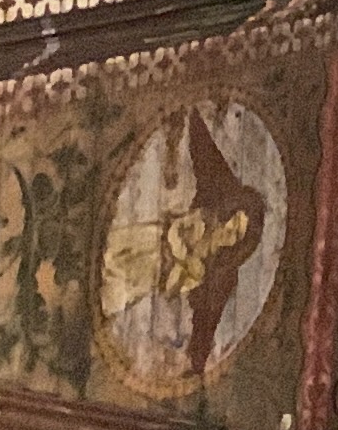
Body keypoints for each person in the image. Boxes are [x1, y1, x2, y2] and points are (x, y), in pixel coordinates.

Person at [99, 108, 267, 380]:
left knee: (113, 291)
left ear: (240, 244)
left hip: (150, 274)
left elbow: (206, 320)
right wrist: (193, 117)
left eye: (238, 233)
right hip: (149, 238)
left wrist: (197, 362)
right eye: (233, 220)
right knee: (108, 251)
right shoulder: (209, 206)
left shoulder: (222, 273)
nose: (229, 230)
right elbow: (206, 154)